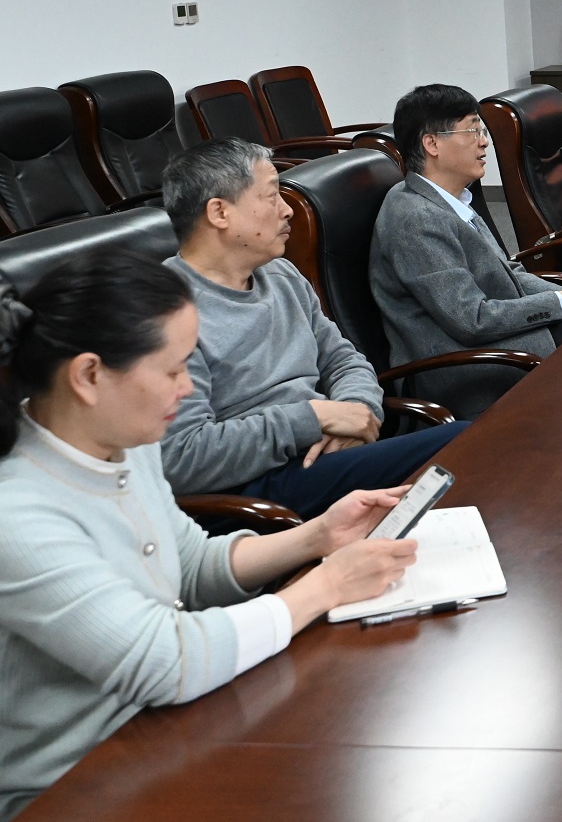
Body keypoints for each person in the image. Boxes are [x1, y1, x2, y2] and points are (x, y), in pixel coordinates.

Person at [0, 253, 419, 819]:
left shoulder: (125, 441)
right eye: (173, 370)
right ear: (89, 376)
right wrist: (325, 587)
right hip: (73, 783)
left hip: (172, 725)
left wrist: (318, 537)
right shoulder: (17, 514)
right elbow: (167, 661)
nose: (187, 389)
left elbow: (192, 564)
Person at [160, 139, 467, 516]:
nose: (287, 210)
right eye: (271, 196)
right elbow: (184, 456)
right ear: (220, 212)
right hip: (255, 488)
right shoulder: (165, 312)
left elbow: (343, 360)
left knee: (471, 448)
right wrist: (314, 418)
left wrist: (355, 409)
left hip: (323, 452)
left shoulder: (280, 274)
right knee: (462, 445)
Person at [371, 85, 562, 418]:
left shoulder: (451, 197)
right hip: (461, 367)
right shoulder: (416, 219)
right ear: (432, 144)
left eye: (482, 131)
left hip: (497, 341)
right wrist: (560, 302)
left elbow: (511, 273)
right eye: (472, 131)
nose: (484, 142)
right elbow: (471, 320)